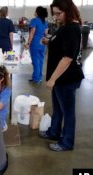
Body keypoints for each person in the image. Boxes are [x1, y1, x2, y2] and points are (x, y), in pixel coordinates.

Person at [39, 0, 84, 151]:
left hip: (67, 78)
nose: (56, 17)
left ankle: (67, 142)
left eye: (59, 14)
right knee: (58, 108)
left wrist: (52, 79)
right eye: (54, 14)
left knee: (68, 112)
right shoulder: (64, 27)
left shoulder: (72, 29)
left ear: (68, 11)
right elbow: (59, 43)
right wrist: (47, 42)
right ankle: (54, 132)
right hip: (60, 78)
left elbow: (67, 58)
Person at [25, 6, 49, 84]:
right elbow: (46, 33)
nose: (34, 12)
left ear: (38, 13)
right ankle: (39, 77)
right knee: (41, 60)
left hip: (35, 43)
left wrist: (28, 43)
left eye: (35, 11)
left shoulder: (34, 20)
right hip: (43, 43)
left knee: (35, 61)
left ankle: (36, 78)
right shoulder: (45, 22)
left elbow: (32, 33)